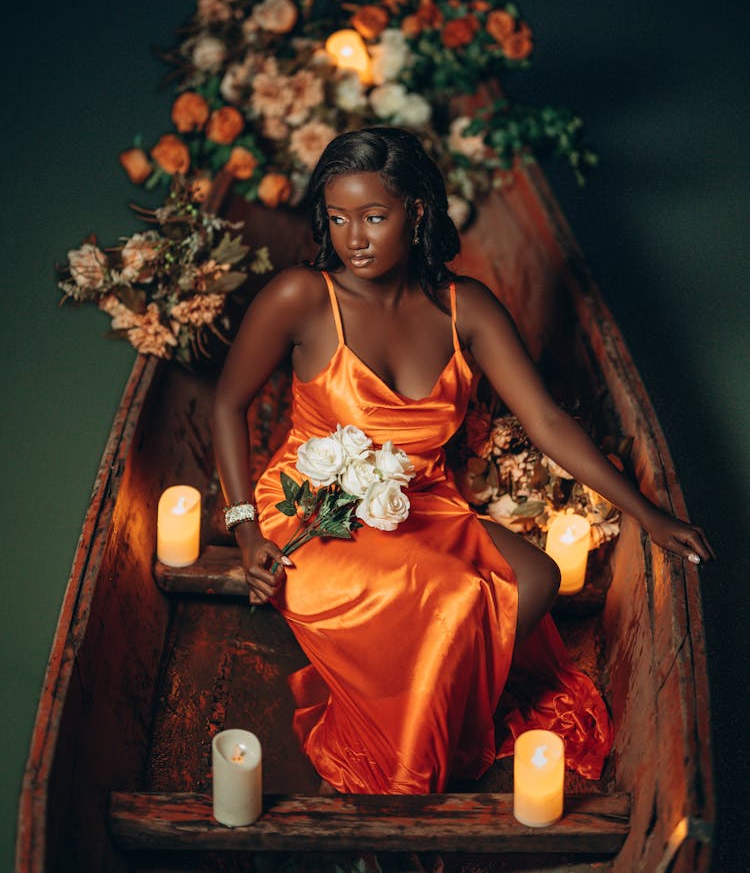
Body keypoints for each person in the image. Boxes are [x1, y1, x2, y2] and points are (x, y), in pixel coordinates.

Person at [212, 126, 715, 795]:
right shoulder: (301, 296)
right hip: (310, 507)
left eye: (373, 217)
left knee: (535, 577)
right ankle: (408, 765)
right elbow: (226, 403)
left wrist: (647, 512)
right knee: (453, 592)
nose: (353, 238)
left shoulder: (465, 307)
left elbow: (546, 420)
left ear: (416, 210)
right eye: (337, 218)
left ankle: (434, 707)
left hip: (420, 498)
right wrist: (246, 529)